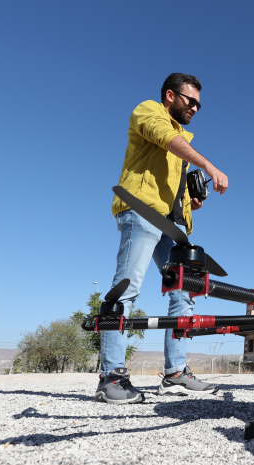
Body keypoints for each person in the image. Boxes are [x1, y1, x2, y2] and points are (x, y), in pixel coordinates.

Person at [95, 73, 229, 404]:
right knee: (126, 288)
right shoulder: (149, 111)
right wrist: (209, 165)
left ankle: (175, 374)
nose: (196, 107)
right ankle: (110, 378)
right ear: (170, 95)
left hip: (169, 224)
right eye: (190, 100)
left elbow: (173, 191)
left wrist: (190, 201)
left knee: (185, 289)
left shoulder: (182, 138)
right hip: (140, 211)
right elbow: (166, 138)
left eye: (199, 103)